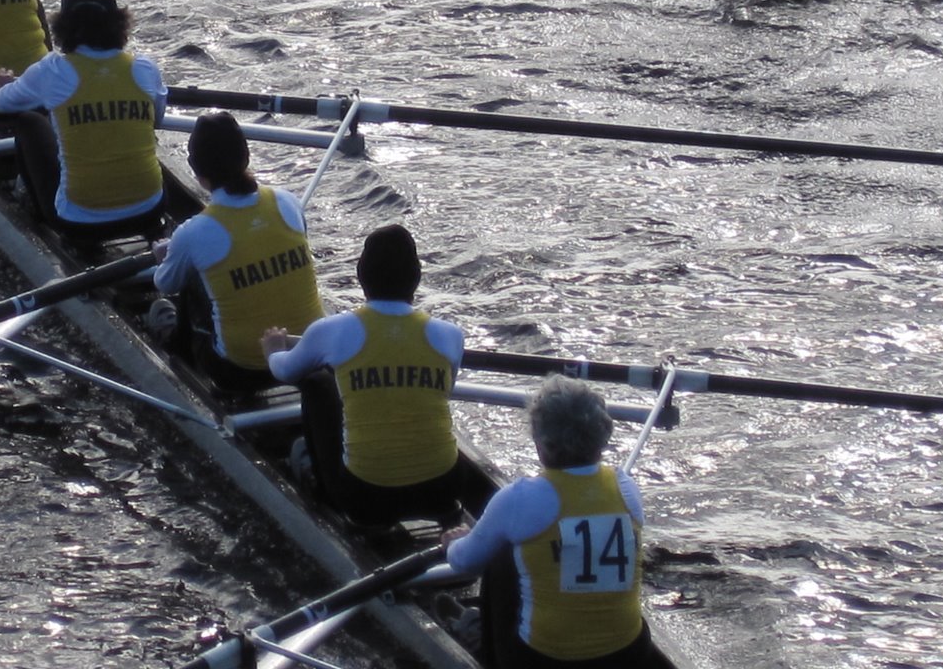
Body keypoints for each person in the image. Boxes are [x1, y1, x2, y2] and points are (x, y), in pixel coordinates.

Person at [441, 377, 674, 669]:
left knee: (501, 557)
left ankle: (487, 651)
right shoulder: (626, 487)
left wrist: (453, 544)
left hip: (545, 661)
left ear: (542, 443)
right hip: (629, 653)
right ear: (601, 435)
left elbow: (464, 564)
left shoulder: (519, 499)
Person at [261, 223, 464, 526]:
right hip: (443, 492)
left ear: (361, 276)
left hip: (367, 497)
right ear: (416, 278)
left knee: (317, 383)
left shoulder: (331, 331)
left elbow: (285, 371)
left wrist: (273, 350)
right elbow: (444, 392)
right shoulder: (451, 336)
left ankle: (320, 487)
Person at [152, 111, 325, 393]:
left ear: (197, 172)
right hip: (311, 355)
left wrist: (164, 259)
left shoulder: (193, 232)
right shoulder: (287, 202)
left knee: (191, 277)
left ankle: (175, 346)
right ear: (246, 157)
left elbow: (165, 283)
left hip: (242, 371)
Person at [0, 0, 165, 239]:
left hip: (79, 222)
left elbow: (1, 104)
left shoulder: (52, 70)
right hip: (151, 211)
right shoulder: (145, 69)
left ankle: (30, 209)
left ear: (63, 24)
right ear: (118, 21)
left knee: (28, 120)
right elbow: (156, 120)